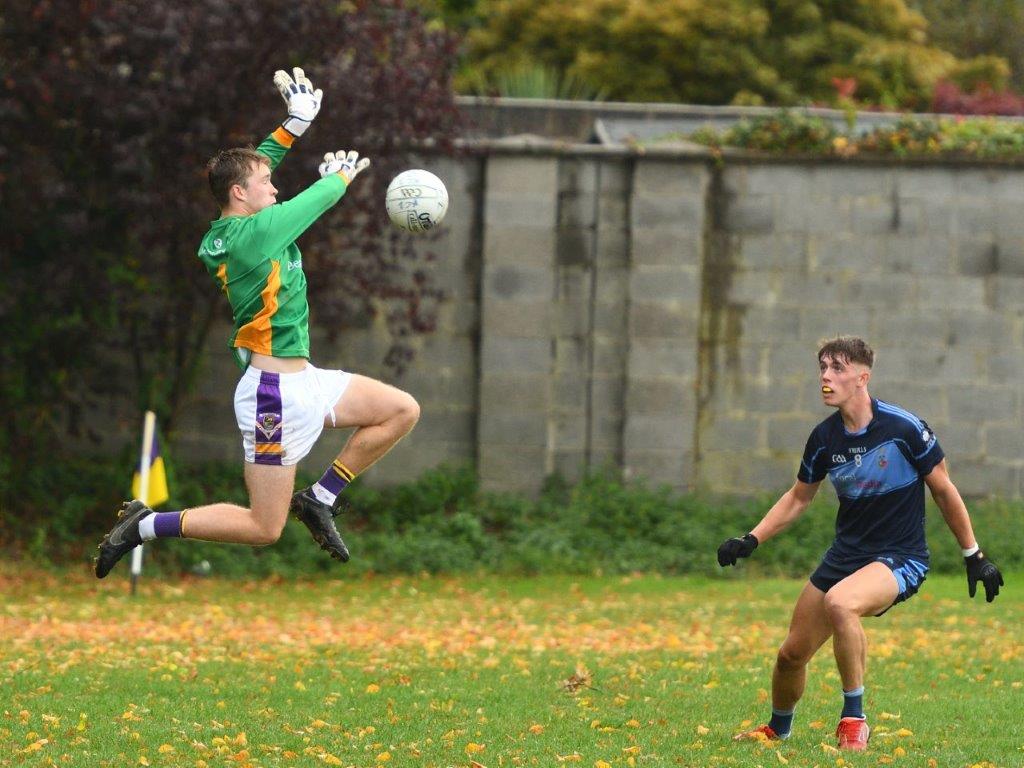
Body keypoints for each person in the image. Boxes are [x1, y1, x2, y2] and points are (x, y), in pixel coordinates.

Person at [95, 67, 420, 578]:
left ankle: (321, 498)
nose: (274, 184)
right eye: (265, 183)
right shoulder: (253, 237)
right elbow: (318, 199)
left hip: (306, 380)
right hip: (274, 396)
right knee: (263, 528)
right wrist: (340, 176)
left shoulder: (238, 223)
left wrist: (292, 126)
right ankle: (144, 526)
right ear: (241, 196)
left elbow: (252, 167)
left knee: (401, 410)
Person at [719, 336, 1003, 751]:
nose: (825, 377)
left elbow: (943, 489)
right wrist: (752, 538)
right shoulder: (823, 439)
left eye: (837, 368)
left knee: (841, 603)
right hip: (845, 557)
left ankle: (854, 720)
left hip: (899, 558)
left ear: (862, 377)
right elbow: (799, 497)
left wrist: (973, 555)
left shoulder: (903, 428)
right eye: (822, 368)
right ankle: (778, 729)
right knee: (790, 655)